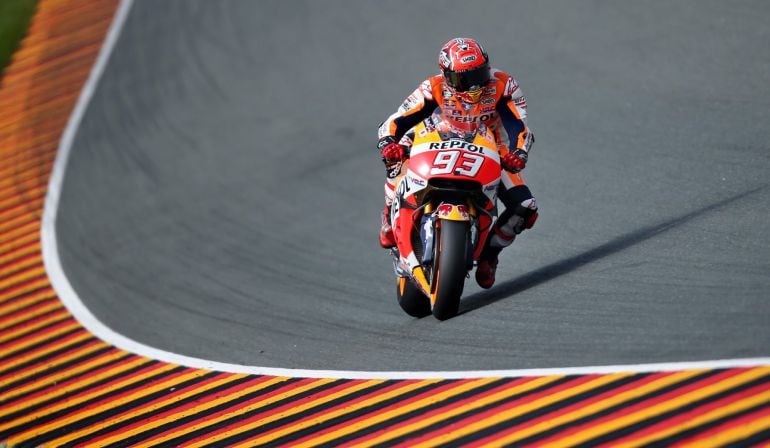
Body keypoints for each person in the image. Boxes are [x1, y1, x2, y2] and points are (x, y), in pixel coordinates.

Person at [377, 37, 538, 289]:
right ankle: (389, 215)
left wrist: (519, 153)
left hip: (491, 148)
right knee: (396, 157)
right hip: (436, 138)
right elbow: (396, 120)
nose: (474, 86)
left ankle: (490, 255)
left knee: (525, 206)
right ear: (447, 75)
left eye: (480, 74)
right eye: (465, 79)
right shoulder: (433, 87)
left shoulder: (504, 85)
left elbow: (519, 126)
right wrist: (388, 141)